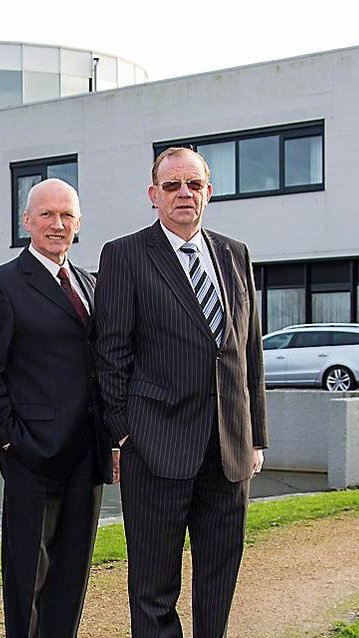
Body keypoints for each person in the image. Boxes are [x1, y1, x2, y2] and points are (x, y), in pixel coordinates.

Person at [96, 147, 268, 637]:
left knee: (218, 578)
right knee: (153, 587)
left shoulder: (235, 254)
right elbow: (111, 352)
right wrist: (125, 434)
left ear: (208, 192)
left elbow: (248, 351)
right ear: (154, 195)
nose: (183, 193)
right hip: (157, 447)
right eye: (171, 185)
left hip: (229, 449)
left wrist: (255, 435)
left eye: (193, 184)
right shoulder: (125, 254)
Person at [0, 178, 114, 637]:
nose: (57, 224)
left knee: (72, 574)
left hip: (88, 453)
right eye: (46, 215)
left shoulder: (91, 283)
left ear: (78, 223)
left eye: (66, 215)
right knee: (27, 577)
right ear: (26, 221)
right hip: (33, 453)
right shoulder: (0, 285)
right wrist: (11, 441)